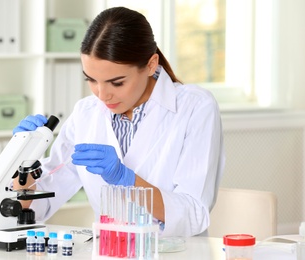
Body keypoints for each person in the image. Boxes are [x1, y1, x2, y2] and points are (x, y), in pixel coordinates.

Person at [13, 6, 225, 237]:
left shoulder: (195, 107)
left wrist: (127, 180)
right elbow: (38, 204)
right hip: (108, 251)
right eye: (91, 80)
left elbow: (193, 214)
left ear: (151, 65)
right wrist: (19, 161)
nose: (102, 95)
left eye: (117, 82)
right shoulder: (86, 113)